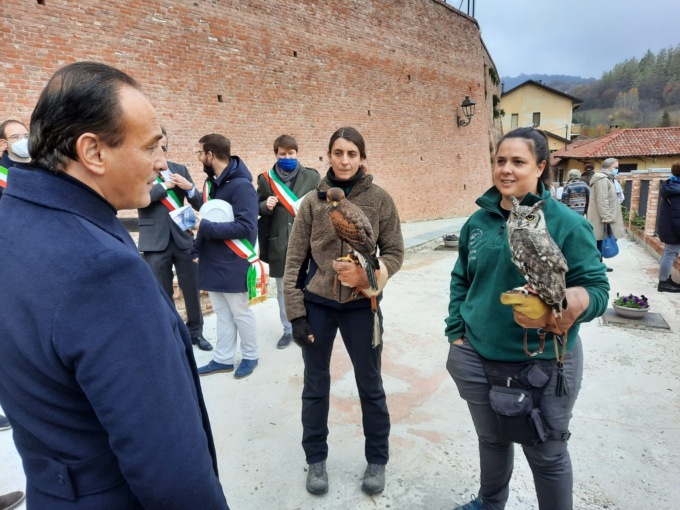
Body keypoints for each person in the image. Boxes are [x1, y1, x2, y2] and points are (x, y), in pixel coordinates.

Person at [0, 62, 228, 509]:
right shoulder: (103, 272)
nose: (161, 162)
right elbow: (172, 474)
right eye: (151, 146)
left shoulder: (13, 218)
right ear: (93, 152)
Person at [445, 127, 609, 510]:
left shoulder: (567, 224)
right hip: (477, 355)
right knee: (491, 440)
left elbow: (598, 291)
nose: (506, 169)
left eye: (518, 161)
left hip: (543, 362)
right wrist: (456, 331)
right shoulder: (478, 222)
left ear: (539, 167)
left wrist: (565, 305)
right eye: (500, 161)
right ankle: (490, 504)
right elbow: (461, 278)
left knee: (547, 454)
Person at [283, 127, 404, 496]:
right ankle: (316, 459)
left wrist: (370, 276)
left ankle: (377, 460)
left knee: (371, 384)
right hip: (318, 305)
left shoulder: (380, 200)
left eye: (352, 153)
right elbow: (294, 261)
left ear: (362, 158)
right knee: (315, 384)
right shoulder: (311, 203)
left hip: (362, 305)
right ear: (329, 156)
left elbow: (395, 252)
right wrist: (296, 315)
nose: (345, 160)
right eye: (338, 153)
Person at [137, 127, 212, 351]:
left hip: (183, 237)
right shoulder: (140, 170)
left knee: (192, 289)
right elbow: (139, 198)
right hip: (155, 241)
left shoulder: (180, 169)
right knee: (162, 292)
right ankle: (171, 334)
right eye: (155, 146)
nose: (161, 150)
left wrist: (189, 189)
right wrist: (164, 186)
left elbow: (200, 204)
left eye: (163, 146)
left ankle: (196, 333)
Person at [194, 133, 260, 379]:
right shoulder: (212, 184)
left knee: (240, 313)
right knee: (222, 313)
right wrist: (196, 249)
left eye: (200, 153)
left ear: (210, 155)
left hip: (233, 260)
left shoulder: (242, 186)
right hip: (212, 259)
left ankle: (251, 355)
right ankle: (223, 359)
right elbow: (207, 219)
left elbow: (246, 227)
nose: (199, 157)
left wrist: (205, 227)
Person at [256, 134, 320, 349]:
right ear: (275, 154)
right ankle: (288, 329)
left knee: (310, 285)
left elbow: (322, 203)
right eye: (282, 154)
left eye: (291, 153)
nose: (287, 157)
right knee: (284, 290)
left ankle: (311, 326)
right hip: (280, 243)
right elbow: (255, 206)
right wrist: (265, 205)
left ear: (297, 153)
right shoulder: (266, 179)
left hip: (308, 241)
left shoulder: (312, 176)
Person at [587, 158, 625, 271]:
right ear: (608, 167)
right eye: (615, 167)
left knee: (600, 241)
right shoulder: (602, 179)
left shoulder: (608, 179)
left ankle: (599, 264)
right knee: (599, 241)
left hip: (602, 217)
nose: (617, 169)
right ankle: (596, 266)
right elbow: (602, 199)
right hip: (601, 217)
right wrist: (607, 217)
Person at [657, 161, 680, 292]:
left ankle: (666, 278)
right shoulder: (677, 192)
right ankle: (663, 282)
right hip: (673, 229)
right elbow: (678, 216)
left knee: (668, 253)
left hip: (668, 226)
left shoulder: (671, 185)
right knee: (670, 253)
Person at [0, 120, 33, 199]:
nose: (23, 140)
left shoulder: (46, 166)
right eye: (15, 137)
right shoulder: (2, 174)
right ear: (3, 143)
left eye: (26, 136)